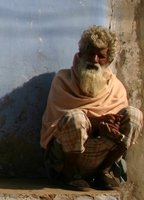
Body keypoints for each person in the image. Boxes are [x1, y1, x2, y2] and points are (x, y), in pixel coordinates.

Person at [41, 25, 142, 191]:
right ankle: (69, 175)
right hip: (64, 158)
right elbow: (59, 123)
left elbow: (121, 123)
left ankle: (104, 172)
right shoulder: (63, 80)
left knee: (134, 115)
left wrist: (111, 128)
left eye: (101, 56)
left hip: (99, 154)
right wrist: (96, 122)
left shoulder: (115, 86)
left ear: (108, 60)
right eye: (91, 53)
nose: (94, 60)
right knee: (76, 118)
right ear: (81, 53)